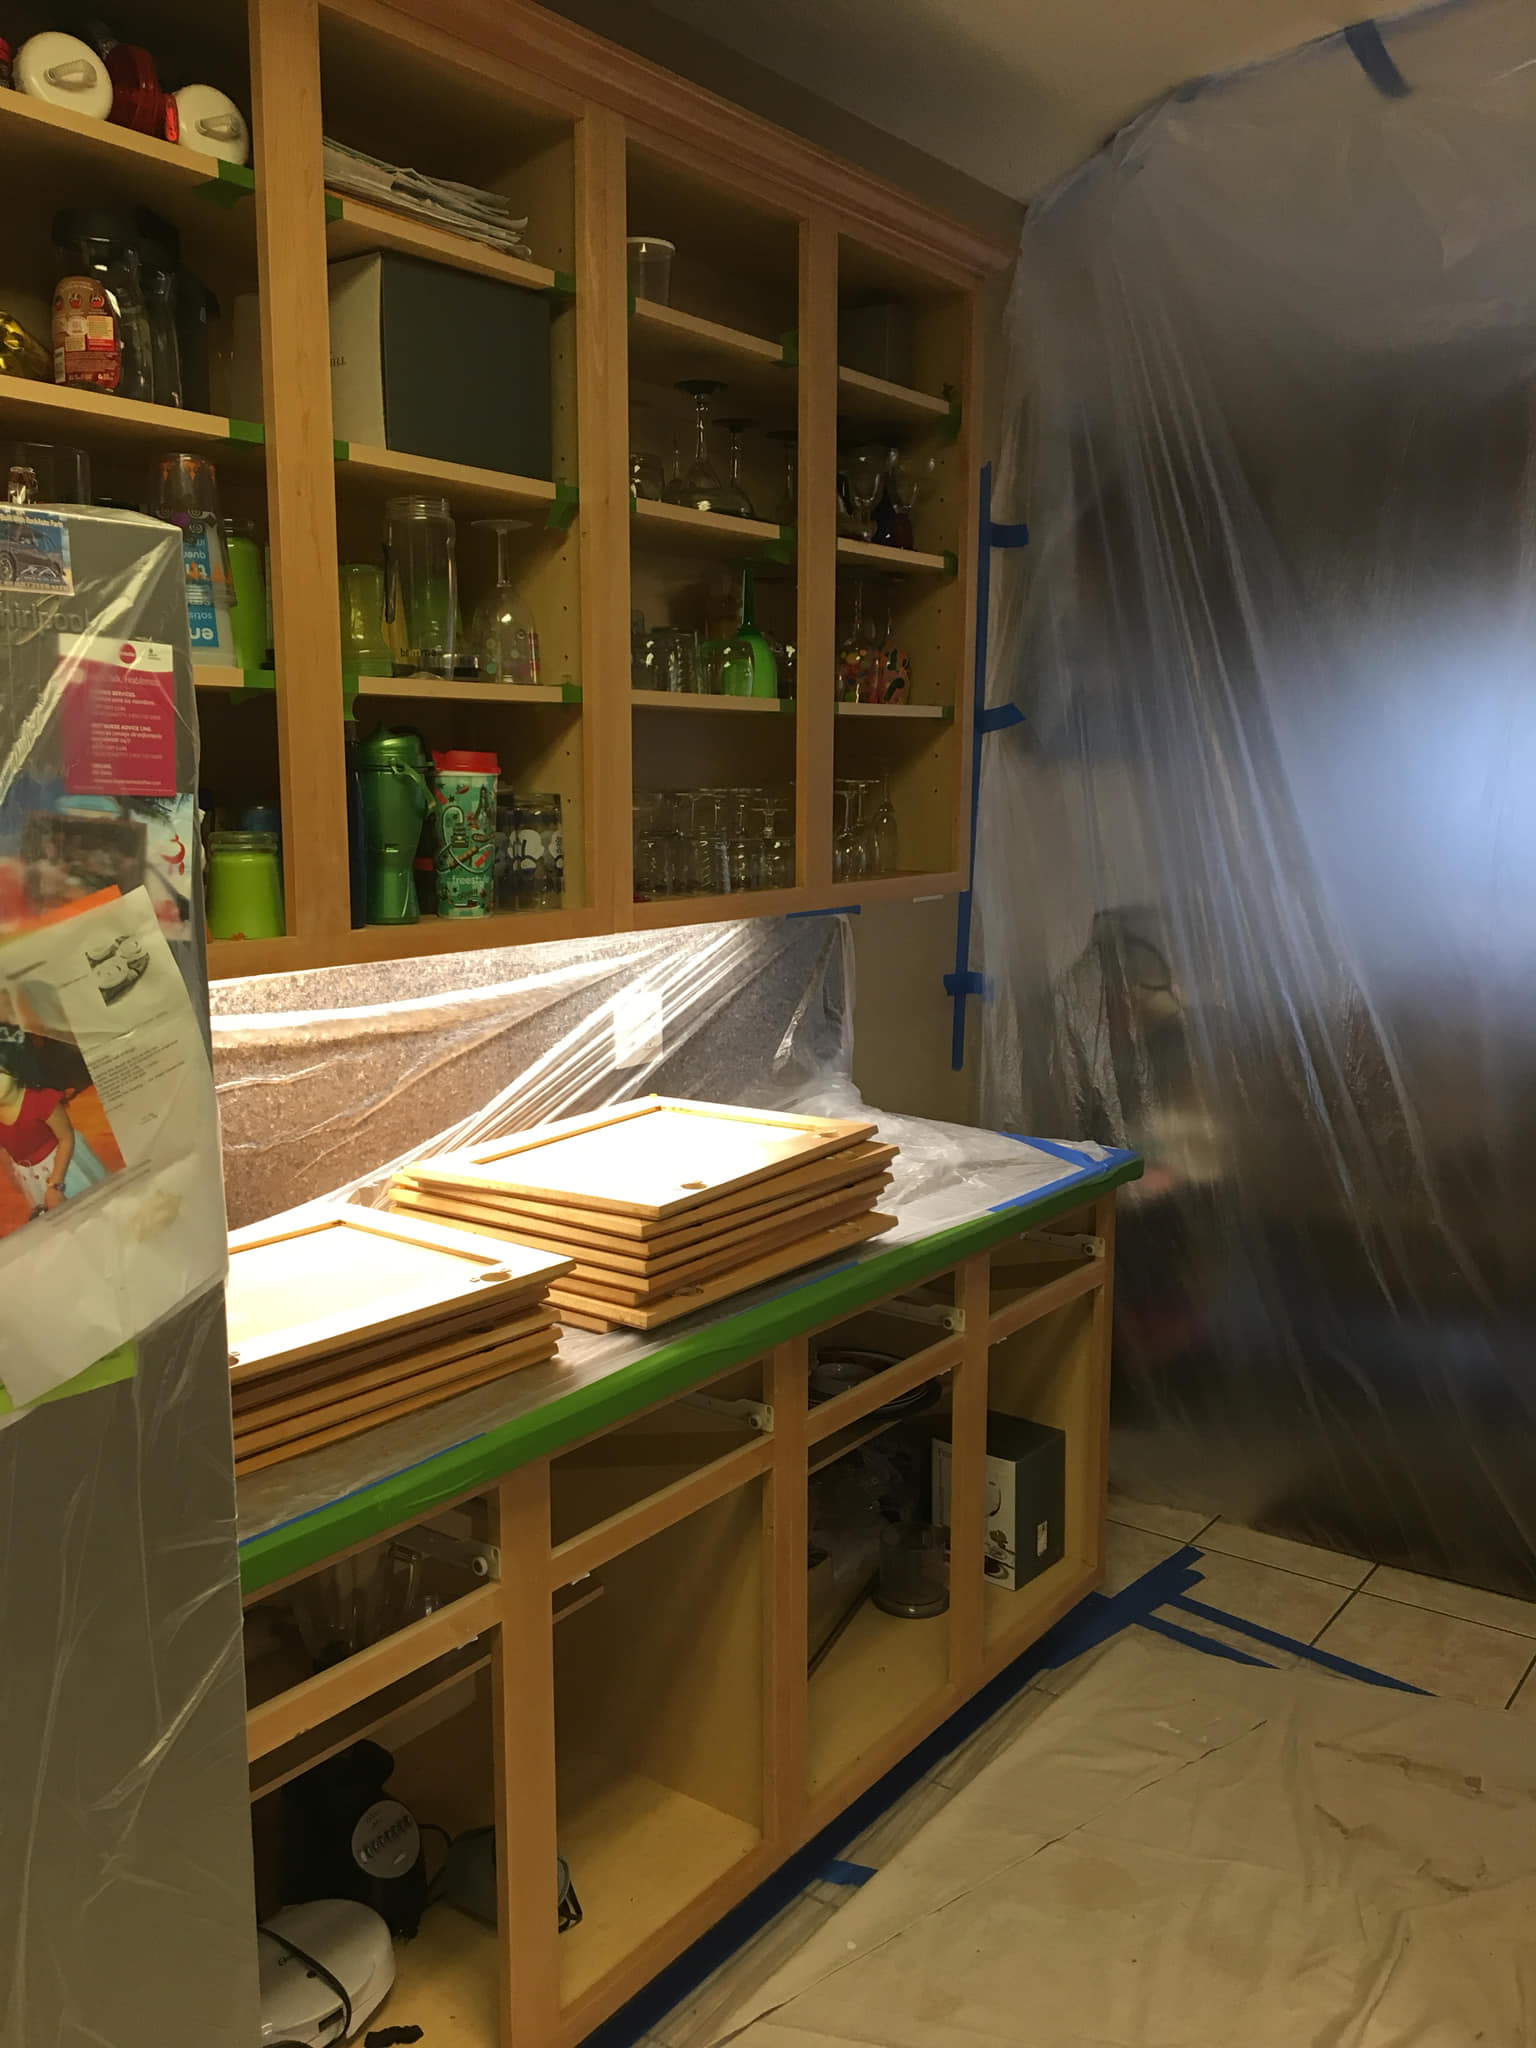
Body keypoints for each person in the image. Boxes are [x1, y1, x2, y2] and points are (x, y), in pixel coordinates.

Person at [0, 1024, 108, 1222]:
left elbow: (66, 1137)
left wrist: (56, 1185)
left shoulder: (40, 1100)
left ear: (15, 1070)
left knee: (89, 1212)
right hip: (30, 1175)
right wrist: (11, 1173)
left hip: (63, 1168)